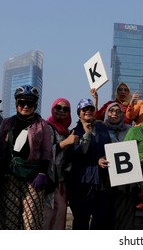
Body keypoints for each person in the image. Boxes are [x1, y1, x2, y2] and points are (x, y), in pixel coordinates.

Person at [0, 85, 52, 230]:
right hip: (10, 177)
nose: (25, 106)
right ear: (17, 104)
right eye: (22, 103)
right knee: (9, 220)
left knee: (31, 221)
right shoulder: (7, 123)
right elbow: (2, 149)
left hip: (33, 178)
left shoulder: (42, 125)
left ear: (35, 105)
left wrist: (42, 173)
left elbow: (47, 151)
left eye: (30, 103)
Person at [66, 98, 113, 230]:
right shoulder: (74, 132)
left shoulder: (103, 128)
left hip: (101, 184)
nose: (88, 111)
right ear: (79, 113)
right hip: (81, 185)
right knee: (81, 222)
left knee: (101, 222)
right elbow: (75, 155)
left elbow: (108, 149)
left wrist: (105, 157)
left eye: (91, 109)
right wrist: (86, 135)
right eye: (84, 109)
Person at [44, 98, 79, 230]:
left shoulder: (67, 131)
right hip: (49, 182)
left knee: (59, 221)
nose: (61, 111)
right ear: (53, 109)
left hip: (62, 184)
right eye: (58, 107)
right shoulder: (47, 127)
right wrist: (65, 143)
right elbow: (45, 152)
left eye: (66, 109)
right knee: (47, 220)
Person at [103, 102, 138, 229]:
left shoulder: (130, 129)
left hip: (127, 181)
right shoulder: (101, 129)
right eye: (111, 111)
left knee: (126, 218)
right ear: (107, 113)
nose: (115, 114)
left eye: (118, 111)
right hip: (107, 180)